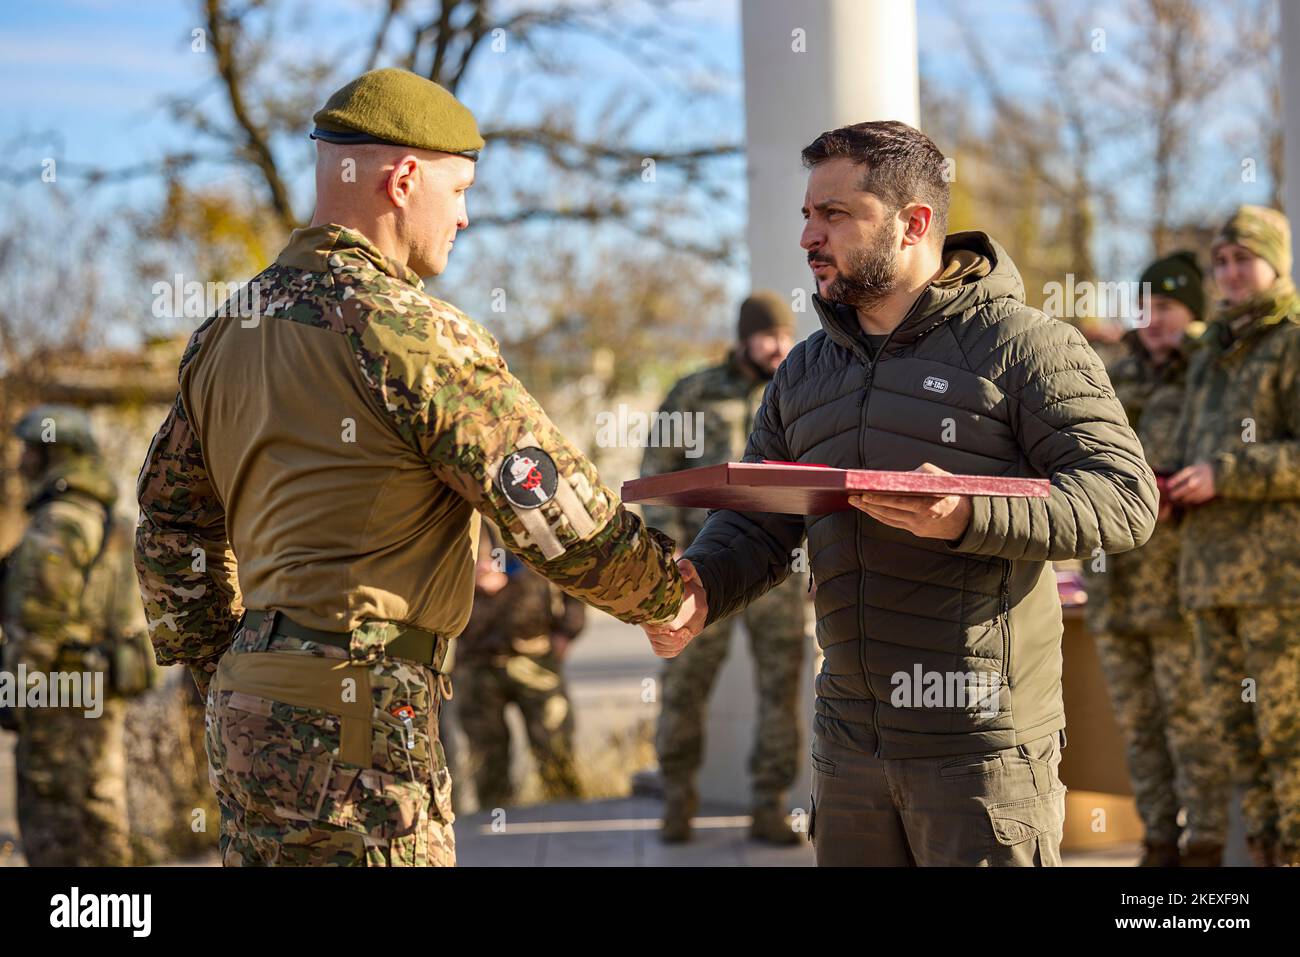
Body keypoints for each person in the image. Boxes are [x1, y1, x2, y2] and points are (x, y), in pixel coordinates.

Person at [135, 68, 699, 867]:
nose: (465, 215)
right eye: (460, 189)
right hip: (362, 717)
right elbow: (546, 503)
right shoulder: (409, 332)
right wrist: (666, 592)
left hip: (249, 703)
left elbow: (169, 525)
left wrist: (220, 661)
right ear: (404, 180)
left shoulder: (226, 332)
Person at [646, 120, 1157, 866]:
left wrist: (971, 512)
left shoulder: (1026, 346)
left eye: (835, 215)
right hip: (848, 746)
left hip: (980, 752)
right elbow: (760, 519)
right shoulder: (805, 370)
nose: (808, 238)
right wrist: (701, 589)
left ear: (914, 223)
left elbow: (1123, 496)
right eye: (807, 215)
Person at [640, 292, 808, 844]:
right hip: (697, 571)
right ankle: (678, 799)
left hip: (776, 576)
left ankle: (769, 804)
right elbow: (655, 471)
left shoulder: (796, 390)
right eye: (768, 336)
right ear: (742, 338)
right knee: (684, 686)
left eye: (786, 335)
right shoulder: (693, 393)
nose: (780, 346)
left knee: (779, 691)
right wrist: (673, 551)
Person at [1082, 251, 1227, 867]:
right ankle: (1159, 843)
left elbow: (1224, 461)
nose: (1153, 319)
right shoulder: (1116, 376)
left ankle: (1207, 846)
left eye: (1167, 307)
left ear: (1193, 313)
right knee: (1139, 729)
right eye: (1145, 306)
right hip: (1117, 584)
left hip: (1181, 583)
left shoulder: (1211, 374)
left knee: (1192, 726)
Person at [1166, 205, 1300, 867]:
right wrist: (1172, 488)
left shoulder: (1293, 338)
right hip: (1208, 574)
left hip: (1279, 582)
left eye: (1242, 258)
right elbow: (1195, 444)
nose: (1229, 273)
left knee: (1291, 739)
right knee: (1238, 737)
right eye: (1220, 262)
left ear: (1276, 260)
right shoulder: (1210, 351)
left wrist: (1227, 472)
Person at [1, 405, 135, 866]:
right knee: (99, 821)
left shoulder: (58, 522)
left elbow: (35, 625)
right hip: (96, 691)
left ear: (52, 453)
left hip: (57, 697)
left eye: (29, 451)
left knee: (56, 830)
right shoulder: (104, 517)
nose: (20, 462)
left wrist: (14, 696)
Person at [456, 523, 585, 809]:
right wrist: (468, 577)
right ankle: (498, 834)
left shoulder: (530, 506)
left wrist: (568, 629)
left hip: (535, 654)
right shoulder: (460, 512)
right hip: (476, 657)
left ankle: (568, 824)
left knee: (555, 749)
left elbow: (573, 565)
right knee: (487, 759)